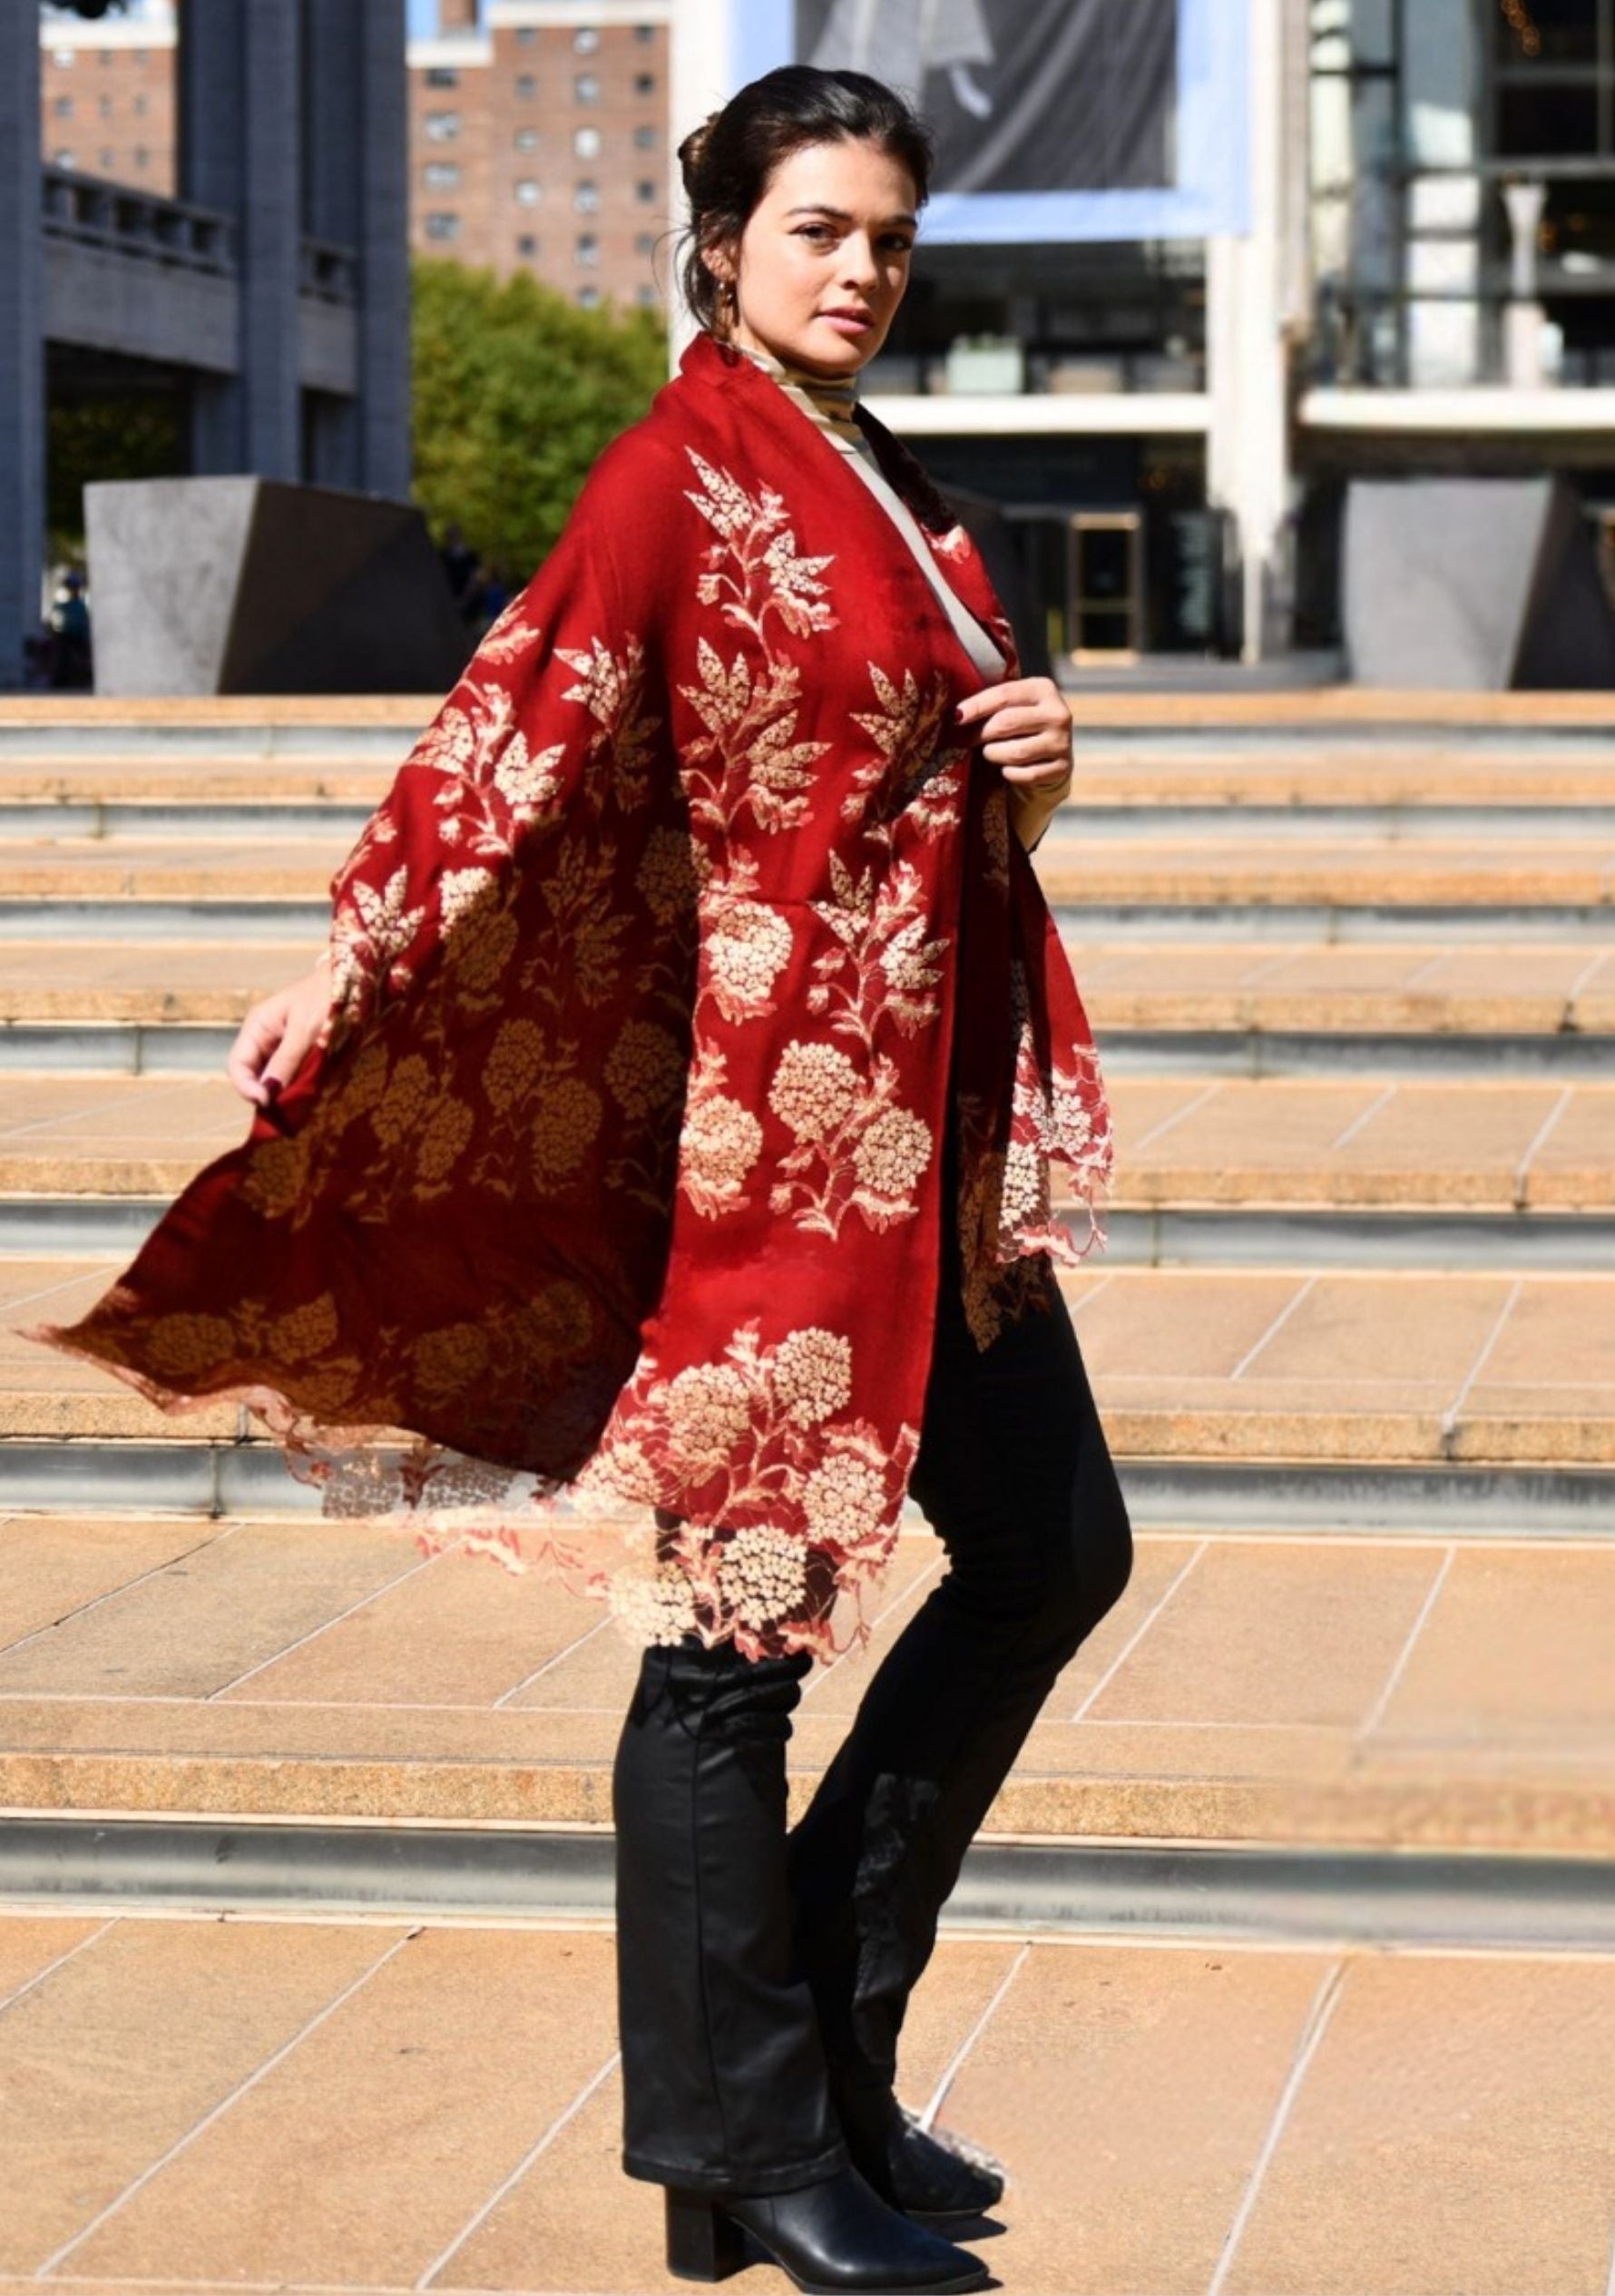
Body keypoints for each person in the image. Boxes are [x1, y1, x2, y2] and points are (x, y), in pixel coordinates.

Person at [20, 65, 1131, 2296]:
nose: (861, 271)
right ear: (716, 239)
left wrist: (1030, 767)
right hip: (767, 1150)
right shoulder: (673, 466)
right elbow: (513, 721)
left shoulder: (888, 482)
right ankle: (739, 2146)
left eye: (889, 239)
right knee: (732, 1641)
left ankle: (809, 2064)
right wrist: (346, 964)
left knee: (1047, 1546)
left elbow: (886, 778)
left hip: (920, 1130)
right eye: (818, 228)